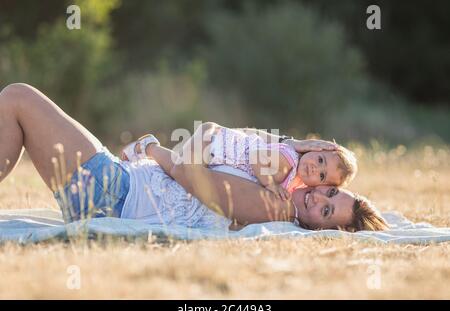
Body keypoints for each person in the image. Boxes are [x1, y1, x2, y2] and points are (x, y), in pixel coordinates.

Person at [0, 83, 388, 232]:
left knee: (17, 99)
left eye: (324, 210)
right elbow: (234, 139)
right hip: (117, 185)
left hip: (112, 194)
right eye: (328, 190)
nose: (317, 196)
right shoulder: (279, 181)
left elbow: (190, 174)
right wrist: (295, 143)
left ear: (323, 230)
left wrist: (152, 147)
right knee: (17, 103)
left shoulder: (274, 207)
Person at [123, 122, 357, 201]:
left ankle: (141, 162)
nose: (316, 168)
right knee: (178, 170)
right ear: (315, 148)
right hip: (213, 144)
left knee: (174, 171)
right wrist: (270, 185)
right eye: (320, 159)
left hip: (215, 148)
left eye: (323, 175)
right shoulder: (288, 161)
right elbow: (257, 158)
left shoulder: (295, 176)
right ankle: (148, 147)